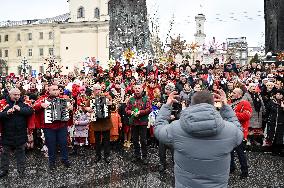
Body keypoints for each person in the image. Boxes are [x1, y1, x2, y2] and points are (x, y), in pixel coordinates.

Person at [154, 90, 243, 187]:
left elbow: (158, 128)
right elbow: (239, 131)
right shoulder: (230, 130)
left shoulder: (176, 128)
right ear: (213, 104)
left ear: (191, 104)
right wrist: (226, 107)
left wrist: (167, 106)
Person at [34, 84, 72, 170]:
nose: (56, 91)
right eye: (53, 90)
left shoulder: (63, 99)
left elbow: (70, 109)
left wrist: (70, 108)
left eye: (57, 89)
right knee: (51, 145)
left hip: (61, 126)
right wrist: (41, 105)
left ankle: (65, 160)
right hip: (48, 127)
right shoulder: (43, 99)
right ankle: (52, 162)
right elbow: (34, 106)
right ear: (49, 91)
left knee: (64, 144)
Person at [0, 88, 34, 178]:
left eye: (18, 95)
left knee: (21, 153)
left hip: (21, 133)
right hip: (7, 133)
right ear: (10, 94)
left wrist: (20, 109)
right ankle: (4, 170)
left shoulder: (24, 103)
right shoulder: (3, 103)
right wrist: (6, 113)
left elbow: (30, 111)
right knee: (5, 154)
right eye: (15, 95)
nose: (17, 96)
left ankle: (21, 171)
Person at [126, 83, 152, 165]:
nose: (137, 89)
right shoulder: (131, 99)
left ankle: (144, 156)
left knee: (143, 140)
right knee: (135, 140)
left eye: (139, 88)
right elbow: (127, 109)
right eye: (136, 88)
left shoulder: (146, 99)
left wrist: (140, 112)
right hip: (134, 122)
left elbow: (149, 109)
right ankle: (137, 155)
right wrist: (132, 112)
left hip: (143, 123)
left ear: (142, 89)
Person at [230, 88, 251, 178]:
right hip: (230, 131)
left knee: (240, 153)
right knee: (230, 152)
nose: (231, 94)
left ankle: (245, 171)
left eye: (234, 93)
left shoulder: (245, 103)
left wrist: (232, 114)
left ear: (239, 94)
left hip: (240, 132)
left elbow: (247, 116)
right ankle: (231, 167)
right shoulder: (230, 102)